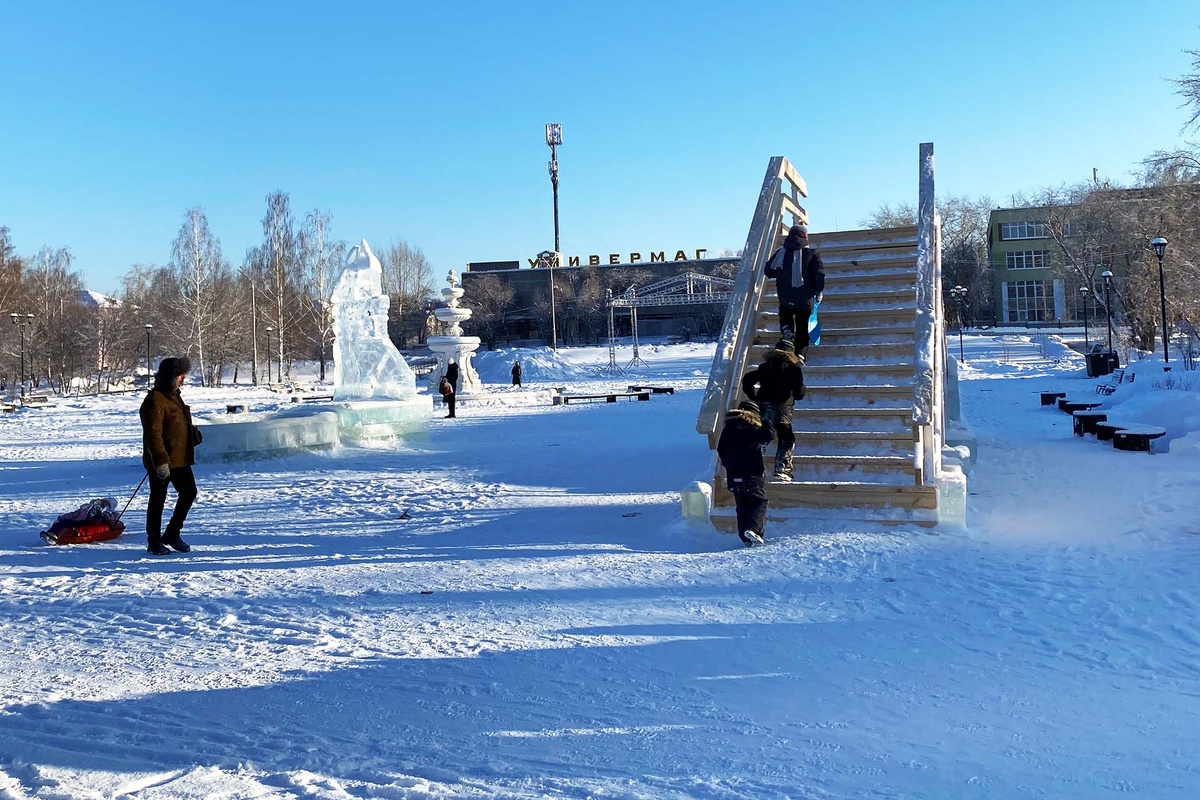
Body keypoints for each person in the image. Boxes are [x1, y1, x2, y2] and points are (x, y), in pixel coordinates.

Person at [140, 356, 199, 555]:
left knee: (189, 492)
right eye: (180, 376)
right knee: (158, 499)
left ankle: (172, 533)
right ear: (170, 377)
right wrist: (160, 462)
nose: (183, 379)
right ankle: (154, 541)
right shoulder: (154, 400)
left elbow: (177, 422)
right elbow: (153, 435)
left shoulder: (173, 395)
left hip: (180, 459)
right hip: (162, 461)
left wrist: (191, 434)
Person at [740, 339, 806, 482]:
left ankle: (754, 461)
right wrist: (798, 394)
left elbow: (747, 379)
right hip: (783, 407)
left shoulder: (765, 367)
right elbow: (799, 392)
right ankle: (782, 469)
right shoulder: (794, 369)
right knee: (786, 437)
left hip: (763, 404)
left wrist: (752, 395)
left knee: (761, 431)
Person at [716, 399, 775, 546]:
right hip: (751, 474)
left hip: (733, 475)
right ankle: (753, 529)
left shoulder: (727, 430)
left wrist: (729, 466)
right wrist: (766, 420)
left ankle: (745, 537)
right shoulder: (752, 428)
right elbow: (768, 436)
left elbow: (720, 450)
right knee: (758, 502)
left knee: (742, 505)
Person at [763, 223, 825, 361]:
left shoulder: (781, 252)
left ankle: (787, 332)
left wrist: (782, 273)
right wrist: (819, 290)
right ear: (805, 237)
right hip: (805, 298)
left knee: (785, 315)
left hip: (785, 296)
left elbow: (768, 271)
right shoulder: (812, 253)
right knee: (803, 327)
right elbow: (818, 274)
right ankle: (801, 355)